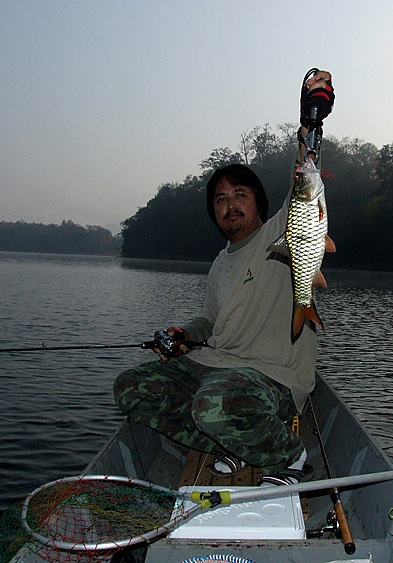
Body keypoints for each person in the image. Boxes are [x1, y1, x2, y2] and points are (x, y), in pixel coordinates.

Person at [113, 69, 334, 484]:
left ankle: (290, 455)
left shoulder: (280, 232)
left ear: (260, 204)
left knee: (211, 405)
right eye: (220, 199)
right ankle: (229, 441)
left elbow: (304, 176)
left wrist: (310, 124)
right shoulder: (219, 263)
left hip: (271, 377)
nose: (230, 205)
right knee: (130, 387)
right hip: (214, 366)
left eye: (240, 195)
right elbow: (210, 323)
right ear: (214, 213)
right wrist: (182, 333)